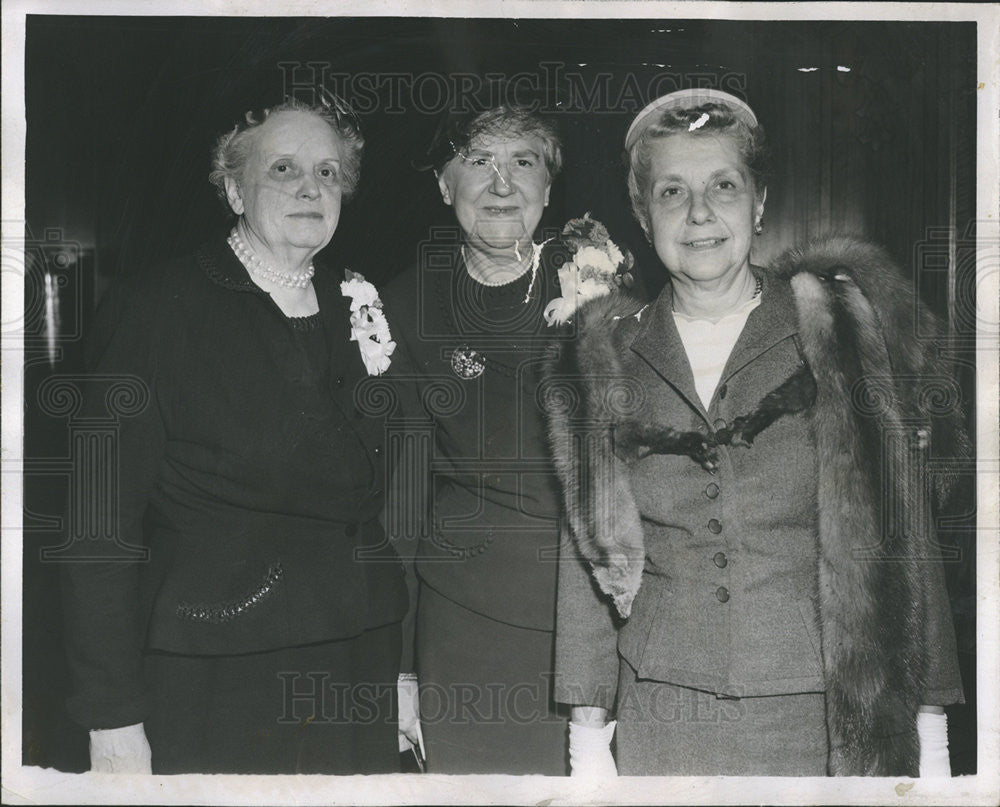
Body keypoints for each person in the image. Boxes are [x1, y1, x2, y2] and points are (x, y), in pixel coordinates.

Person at [544, 88, 967, 777]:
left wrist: (933, 727)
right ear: (642, 213)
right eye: (672, 191)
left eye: (724, 186)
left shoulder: (835, 329)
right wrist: (588, 740)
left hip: (820, 715)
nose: (700, 213)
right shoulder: (605, 355)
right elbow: (587, 558)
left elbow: (904, 534)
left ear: (759, 202)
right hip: (662, 719)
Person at [60, 96, 411, 774]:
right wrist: (109, 713)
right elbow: (97, 530)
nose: (312, 187)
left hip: (357, 653)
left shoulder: (356, 297)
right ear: (232, 188)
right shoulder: (156, 309)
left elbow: (372, 503)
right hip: (219, 662)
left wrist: (401, 672)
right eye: (284, 167)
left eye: (330, 172)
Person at [379, 103, 570, 774]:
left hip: (595, 618)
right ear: (442, 184)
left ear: (548, 187)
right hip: (465, 621)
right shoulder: (405, 305)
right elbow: (402, 500)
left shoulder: (612, 292)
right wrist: (400, 667)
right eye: (477, 163)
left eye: (523, 162)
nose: (501, 185)